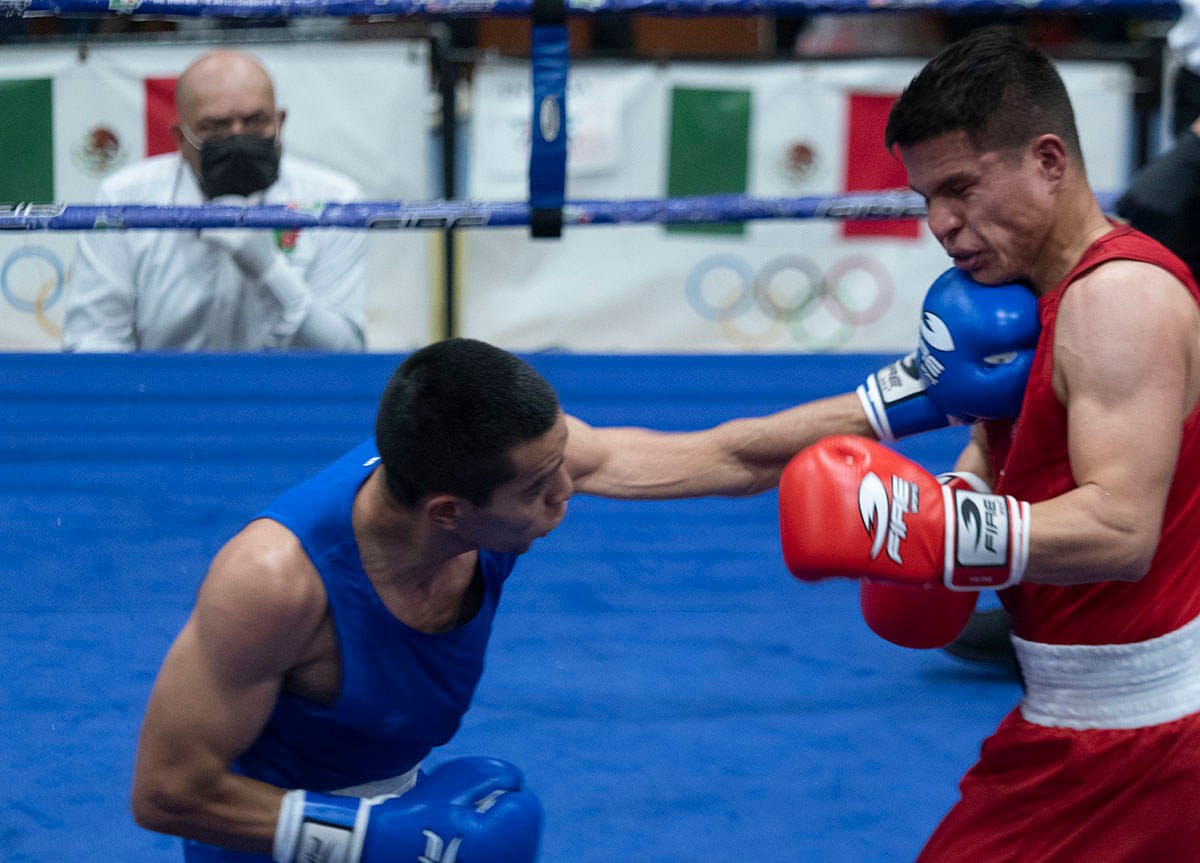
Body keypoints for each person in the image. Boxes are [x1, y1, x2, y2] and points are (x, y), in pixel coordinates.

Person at [130, 298, 1041, 863]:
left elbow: (723, 453)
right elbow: (167, 791)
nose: (570, 490)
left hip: (414, 813)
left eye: (563, 460)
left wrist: (905, 397)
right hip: (277, 842)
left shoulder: (511, 461)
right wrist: (374, 841)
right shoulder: (272, 583)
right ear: (448, 512)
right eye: (540, 486)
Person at [779, 27, 1200, 860]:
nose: (940, 222)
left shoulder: (1116, 302)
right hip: (1079, 711)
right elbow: (1001, 446)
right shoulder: (1012, 309)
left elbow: (1122, 531)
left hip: (1141, 733)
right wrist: (961, 488)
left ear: (1049, 160)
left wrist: (930, 529)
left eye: (961, 189)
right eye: (927, 197)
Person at [62, 49, 366, 352]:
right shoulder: (125, 200)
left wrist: (272, 273)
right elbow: (92, 341)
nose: (238, 137)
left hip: (288, 395)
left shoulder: (334, 202)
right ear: (181, 138)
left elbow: (346, 355)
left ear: (280, 122)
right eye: (216, 126)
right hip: (159, 395)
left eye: (255, 121)